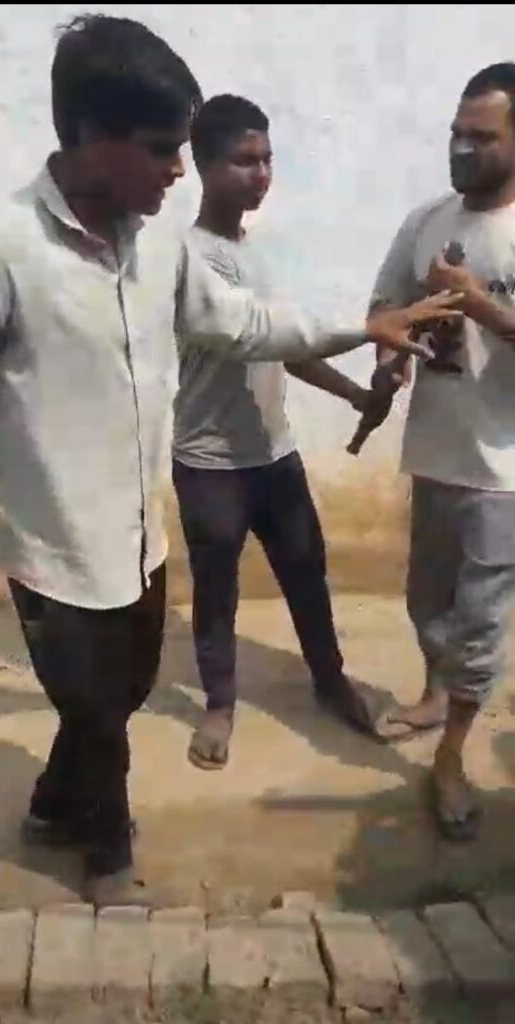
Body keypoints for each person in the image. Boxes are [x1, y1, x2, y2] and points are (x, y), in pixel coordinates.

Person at [0, 12, 458, 905]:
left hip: (140, 538)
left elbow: (241, 323)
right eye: (163, 149)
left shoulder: (157, 242)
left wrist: (364, 327)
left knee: (120, 692)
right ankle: (106, 859)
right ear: (93, 137)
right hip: (53, 555)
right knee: (99, 713)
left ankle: (51, 807)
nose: (179, 169)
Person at [173, 94, 384, 769]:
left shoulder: (256, 253)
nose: (261, 174)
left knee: (305, 572)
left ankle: (329, 680)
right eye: (244, 161)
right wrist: (370, 329)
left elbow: (285, 345)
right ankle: (219, 703)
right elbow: (252, 336)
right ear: (203, 165)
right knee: (216, 591)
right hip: (209, 463)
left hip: (274, 454)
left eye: (267, 159)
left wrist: (354, 393)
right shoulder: (187, 259)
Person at [371, 63, 515, 840]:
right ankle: (434, 696)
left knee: (478, 621)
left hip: (504, 470)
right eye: (455, 134)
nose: (460, 148)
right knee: (425, 601)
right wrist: (390, 353)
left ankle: (451, 756)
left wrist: (477, 301)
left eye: (480, 137)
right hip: (433, 452)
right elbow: (385, 302)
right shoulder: (426, 220)